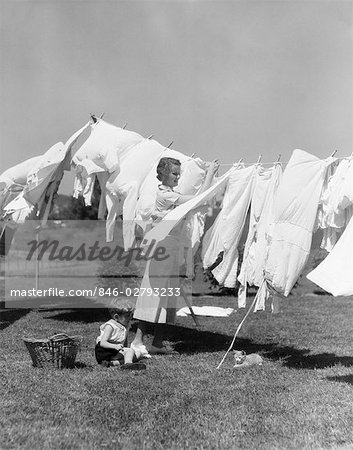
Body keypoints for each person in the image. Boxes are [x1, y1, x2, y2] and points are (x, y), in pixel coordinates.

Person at [131, 157, 220, 356]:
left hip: (171, 247)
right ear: (163, 174)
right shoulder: (165, 195)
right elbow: (198, 199)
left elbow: (194, 206)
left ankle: (157, 342)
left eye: (179, 174)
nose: (177, 177)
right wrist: (210, 174)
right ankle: (137, 340)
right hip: (161, 248)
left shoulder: (173, 194)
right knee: (153, 294)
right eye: (174, 174)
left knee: (168, 295)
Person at [95, 302, 147, 370]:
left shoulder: (125, 325)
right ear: (116, 317)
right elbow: (102, 343)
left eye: (131, 315)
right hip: (105, 351)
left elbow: (124, 340)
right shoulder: (110, 326)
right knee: (130, 351)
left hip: (115, 351)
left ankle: (111, 363)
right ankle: (128, 364)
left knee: (137, 354)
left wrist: (125, 350)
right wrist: (115, 346)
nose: (130, 318)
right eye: (127, 316)